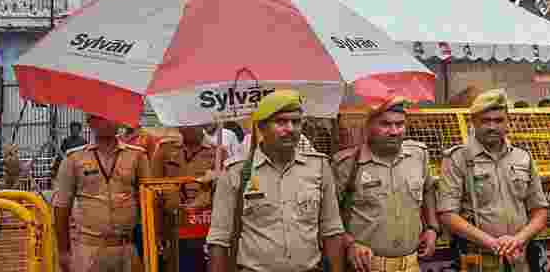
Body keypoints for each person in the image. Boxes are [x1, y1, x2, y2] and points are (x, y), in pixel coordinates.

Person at [207, 90, 346, 272]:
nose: (290, 129)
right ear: (262, 127)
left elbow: (332, 230)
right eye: (280, 122)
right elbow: (219, 239)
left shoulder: (318, 166)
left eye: (296, 122)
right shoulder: (236, 172)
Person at [437, 89, 549, 272]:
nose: (492, 127)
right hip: (478, 260)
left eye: (498, 120)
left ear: (507, 122)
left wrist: (518, 240)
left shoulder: (522, 157)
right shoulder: (458, 159)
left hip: (519, 259)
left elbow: (539, 211)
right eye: (485, 121)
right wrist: (491, 243)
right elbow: (447, 214)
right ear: (473, 122)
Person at [333, 97, 439, 272]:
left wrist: (432, 228)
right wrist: (349, 244)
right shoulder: (347, 164)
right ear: (369, 126)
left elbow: (428, 190)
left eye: (400, 124)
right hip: (366, 266)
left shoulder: (418, 155)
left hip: (411, 264)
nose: (394, 131)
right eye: (385, 124)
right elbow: (328, 217)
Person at [54, 113, 151, 272]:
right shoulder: (74, 159)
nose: (107, 121)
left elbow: (148, 202)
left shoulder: (137, 156)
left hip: (127, 248)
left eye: (111, 115)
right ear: (90, 122)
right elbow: (61, 207)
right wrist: (63, 251)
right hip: (88, 249)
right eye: (101, 117)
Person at [151, 125, 228, 272]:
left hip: (204, 227)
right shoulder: (165, 149)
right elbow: (153, 191)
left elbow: (225, 193)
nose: (188, 127)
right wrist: (157, 231)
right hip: (173, 227)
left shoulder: (218, 152)